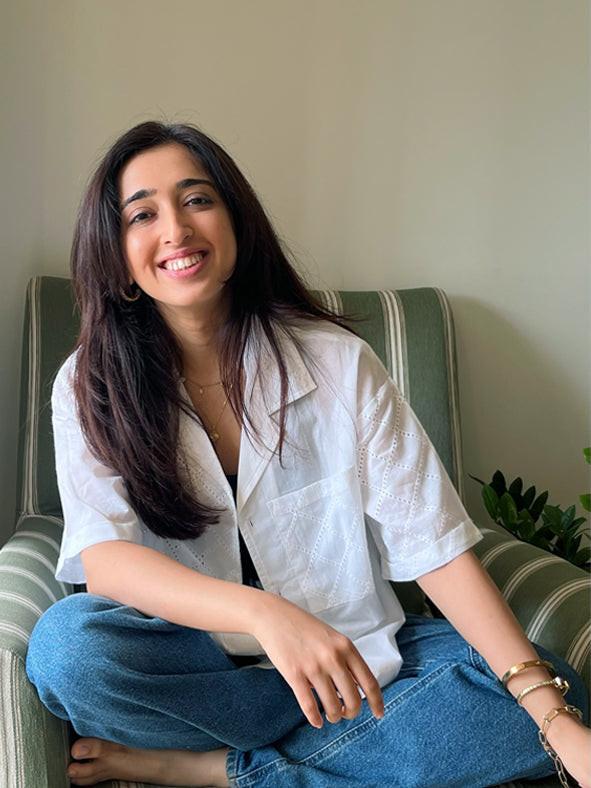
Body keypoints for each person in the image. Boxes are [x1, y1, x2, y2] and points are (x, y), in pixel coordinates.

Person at [25, 120, 589, 788]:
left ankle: (220, 772)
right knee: (70, 651)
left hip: (351, 669)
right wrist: (265, 616)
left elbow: (432, 544)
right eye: (142, 214)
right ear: (116, 255)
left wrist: (552, 719)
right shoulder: (89, 382)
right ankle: (320, 758)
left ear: (236, 223)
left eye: (197, 199)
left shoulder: (337, 363)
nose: (175, 229)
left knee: (548, 692)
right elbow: (109, 563)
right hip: (197, 679)